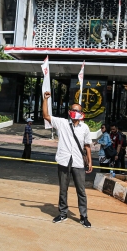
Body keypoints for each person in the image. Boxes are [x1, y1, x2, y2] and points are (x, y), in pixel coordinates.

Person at [42, 91, 93, 228]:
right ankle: (63, 213)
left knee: (81, 190)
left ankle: (83, 217)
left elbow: (87, 145)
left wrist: (90, 161)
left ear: (81, 113)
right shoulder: (62, 123)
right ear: (69, 111)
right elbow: (46, 115)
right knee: (63, 189)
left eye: (77, 110)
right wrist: (45, 99)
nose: (74, 112)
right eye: (72, 110)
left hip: (78, 162)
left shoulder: (85, 128)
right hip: (64, 160)